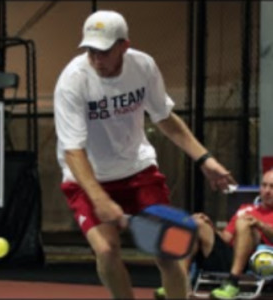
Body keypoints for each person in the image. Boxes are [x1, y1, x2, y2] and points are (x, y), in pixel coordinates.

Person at [53, 10, 236, 299]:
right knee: (107, 250)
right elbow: (73, 151)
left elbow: (164, 117)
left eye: (103, 51)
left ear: (123, 46)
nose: (96, 59)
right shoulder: (73, 81)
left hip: (138, 170)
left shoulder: (143, 66)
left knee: (168, 250)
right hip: (87, 177)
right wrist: (100, 199)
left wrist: (205, 159)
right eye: (90, 50)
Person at [189, 168, 273, 299]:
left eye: (272, 187)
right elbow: (226, 238)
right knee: (197, 223)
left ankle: (233, 283)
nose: (267, 191)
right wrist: (210, 227)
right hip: (230, 256)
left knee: (244, 223)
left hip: (256, 261)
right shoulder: (245, 209)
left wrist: (259, 224)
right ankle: (178, 280)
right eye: (264, 185)